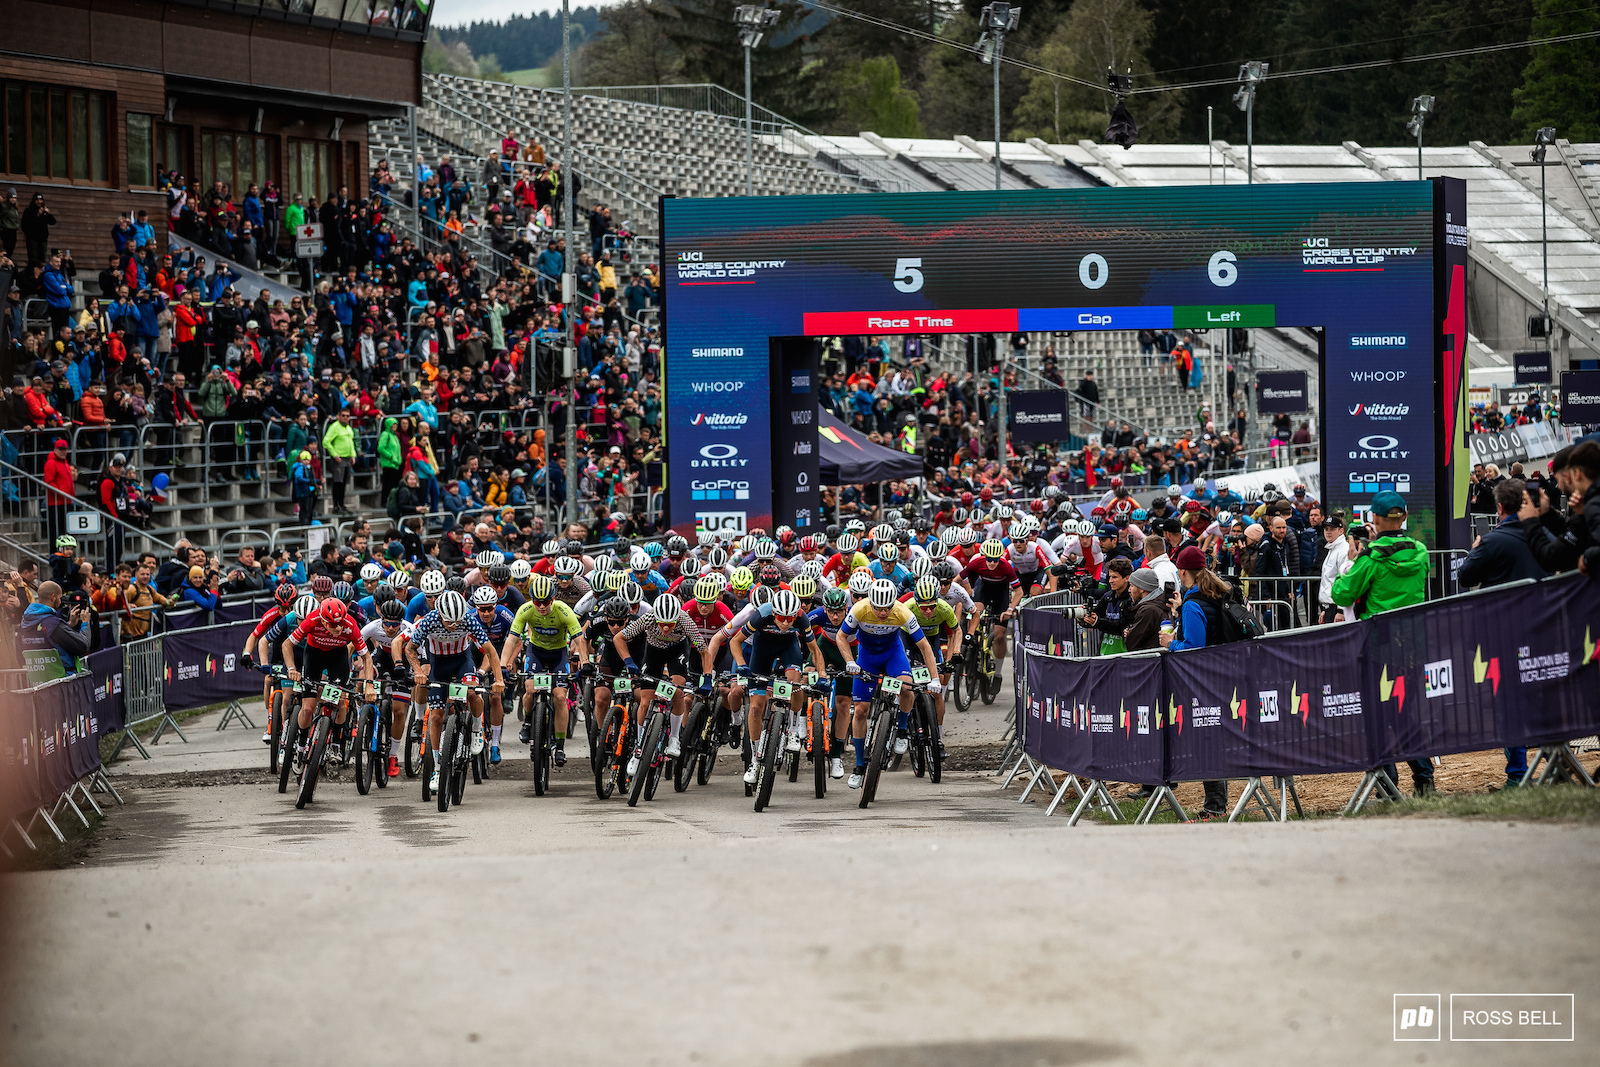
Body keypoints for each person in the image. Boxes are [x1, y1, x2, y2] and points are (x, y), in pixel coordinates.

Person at [1328, 491, 1434, 796]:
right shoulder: (1420, 550)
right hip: (1412, 645)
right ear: (1404, 517)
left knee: (1376, 715)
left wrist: (1359, 557)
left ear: (1374, 518)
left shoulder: (1371, 558)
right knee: (1403, 712)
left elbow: (1342, 594)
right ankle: (1424, 778)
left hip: (1377, 645)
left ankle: (1387, 786)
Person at [1157, 546, 1239, 818]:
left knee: (1208, 742)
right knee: (1214, 740)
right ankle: (1217, 806)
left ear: (1182, 572)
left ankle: (1214, 808)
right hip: (1226, 675)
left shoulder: (1194, 604)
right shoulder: (1214, 593)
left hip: (1204, 681)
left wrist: (1171, 643)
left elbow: (1194, 647)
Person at [18, 580, 93, 683]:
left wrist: (68, 626)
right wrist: (85, 624)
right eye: (60, 597)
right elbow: (83, 646)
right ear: (53, 597)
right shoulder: (53, 624)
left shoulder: (26, 623)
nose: (61, 601)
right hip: (62, 685)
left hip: (38, 684)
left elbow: (47, 640)